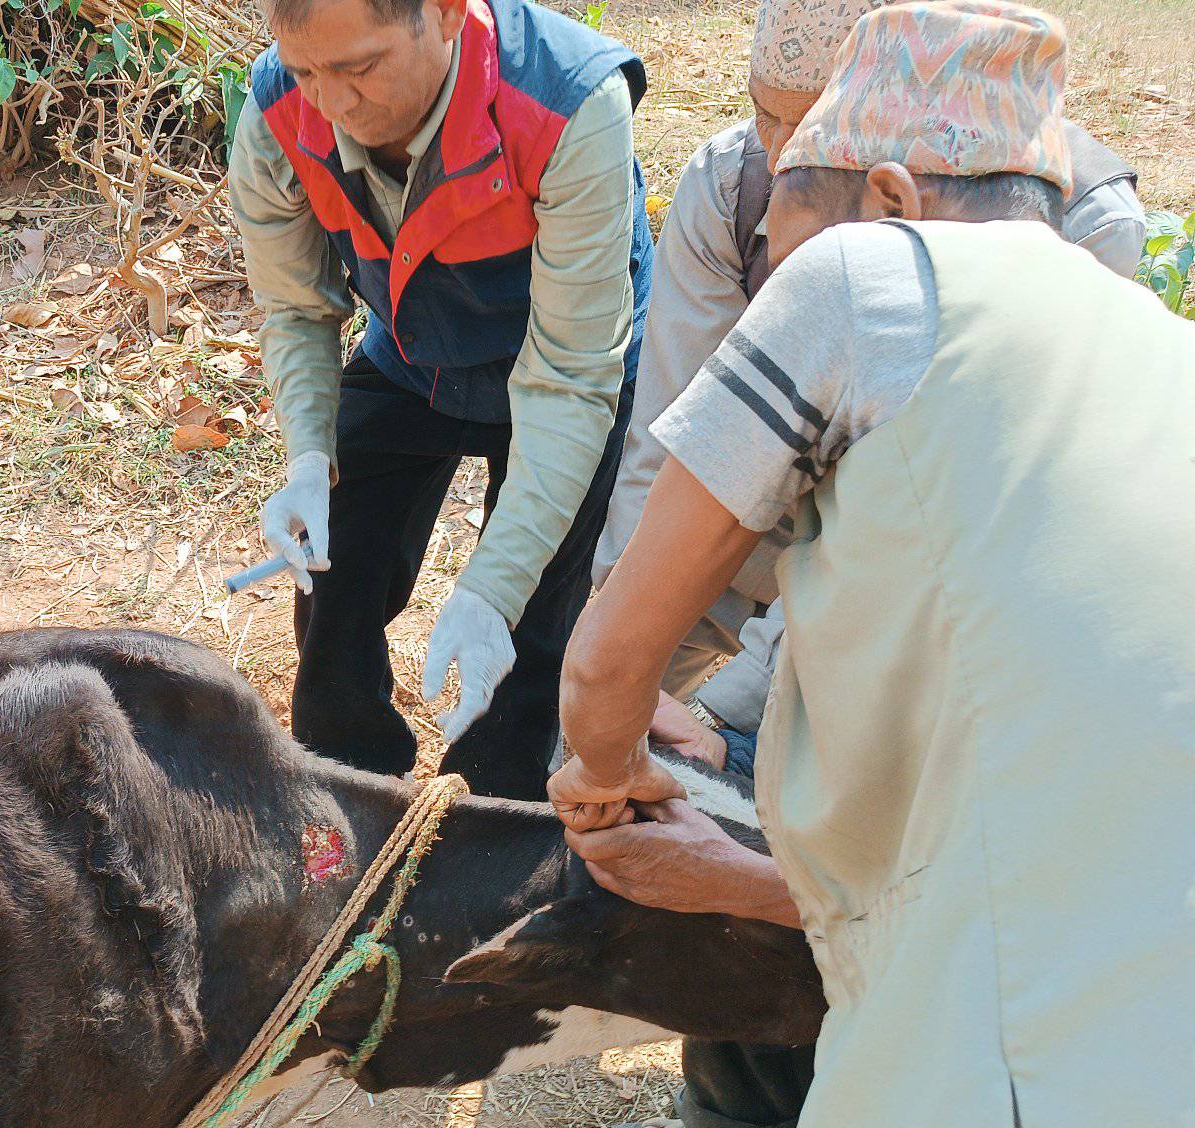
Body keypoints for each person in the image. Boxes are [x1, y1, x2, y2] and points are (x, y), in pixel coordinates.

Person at [550, 3, 1195, 1125]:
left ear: (890, 196)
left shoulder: (867, 276)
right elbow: (1019, 859)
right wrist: (726, 864)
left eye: (789, 239)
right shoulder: (1158, 356)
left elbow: (607, 665)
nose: (775, 276)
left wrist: (604, 777)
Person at [594, 0, 1145, 750]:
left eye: (810, 122)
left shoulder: (1080, 237)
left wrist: (728, 723)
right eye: (764, 117)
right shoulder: (734, 183)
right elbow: (672, 451)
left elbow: (893, 536)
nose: (781, 152)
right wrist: (619, 659)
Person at [231, 0, 653, 799]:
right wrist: (310, 455)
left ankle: (491, 819)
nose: (333, 104)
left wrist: (491, 588)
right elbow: (295, 307)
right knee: (335, 571)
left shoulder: (569, 104)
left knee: (526, 632)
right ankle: (347, 797)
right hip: (410, 349)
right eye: (309, 71)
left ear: (448, 15)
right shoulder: (278, 106)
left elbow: (568, 379)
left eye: (360, 68)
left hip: (565, 361)